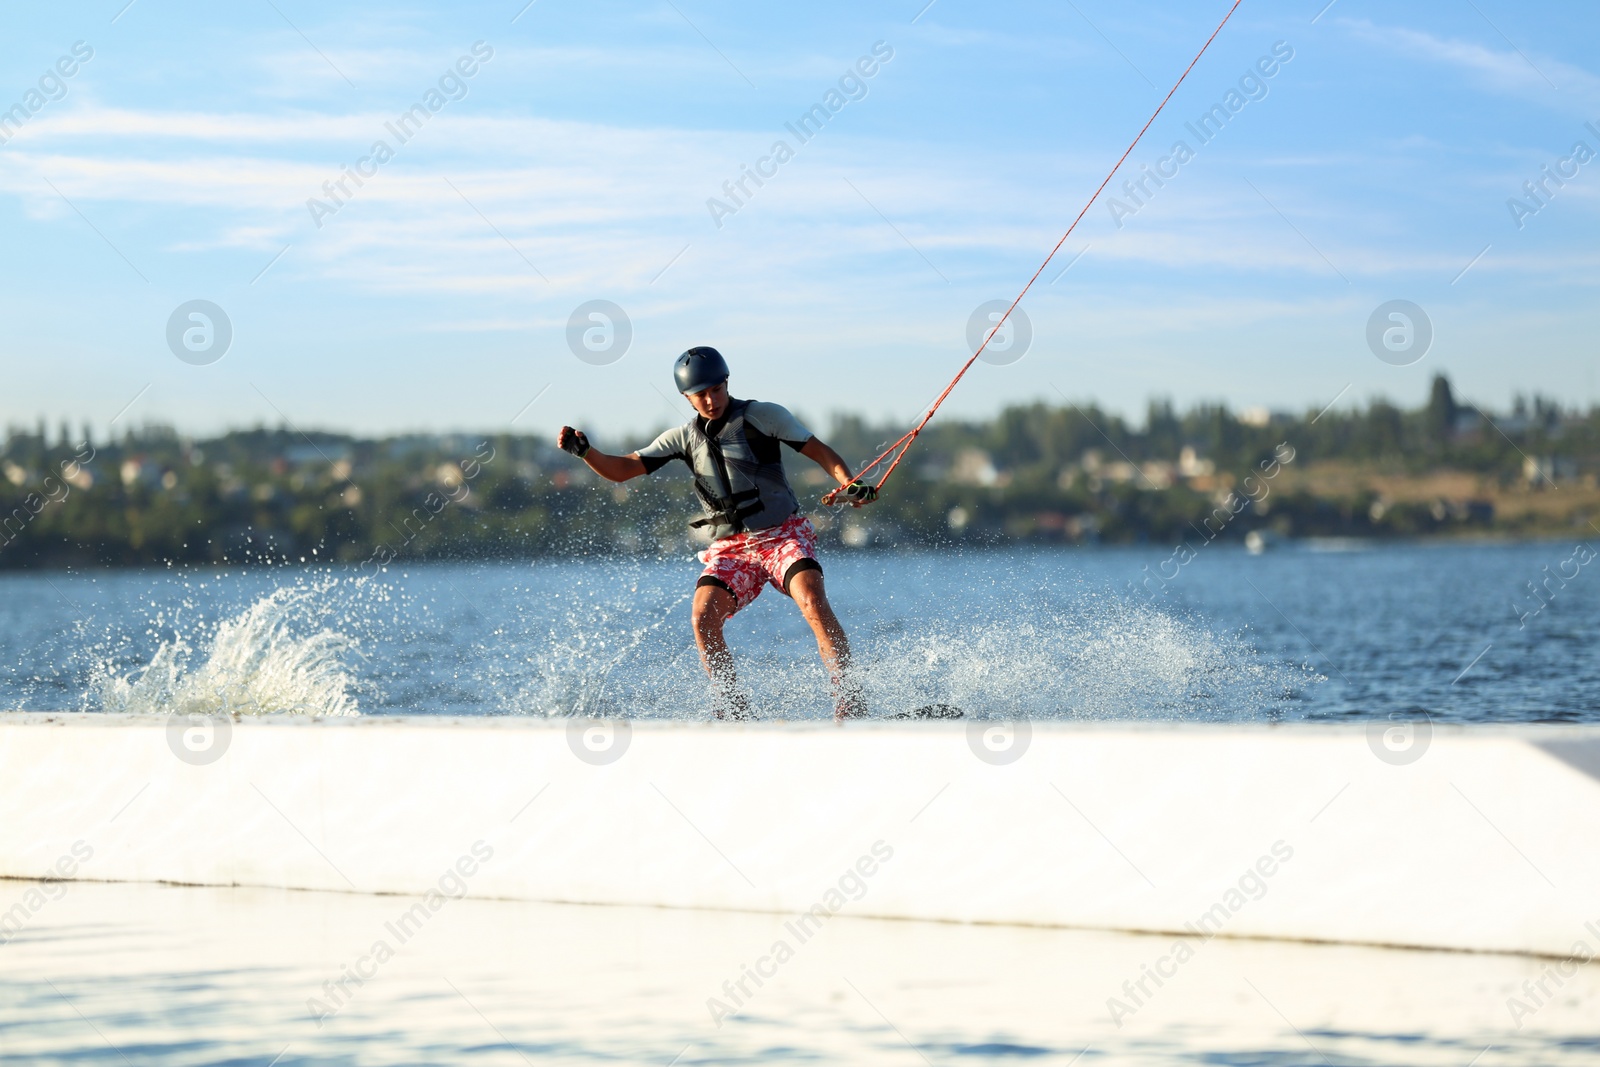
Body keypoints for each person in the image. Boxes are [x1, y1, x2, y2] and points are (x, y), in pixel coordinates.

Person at [556, 346, 878, 721]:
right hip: (731, 548)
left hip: (781, 535)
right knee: (702, 617)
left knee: (810, 597)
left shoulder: (763, 416)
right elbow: (623, 469)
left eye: (716, 390)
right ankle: (734, 712)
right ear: (686, 398)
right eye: (700, 395)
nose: (710, 400)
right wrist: (586, 453)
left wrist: (849, 484)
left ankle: (850, 702)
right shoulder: (681, 439)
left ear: (727, 383)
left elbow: (820, 451)